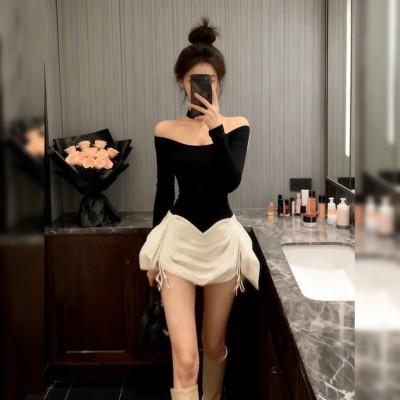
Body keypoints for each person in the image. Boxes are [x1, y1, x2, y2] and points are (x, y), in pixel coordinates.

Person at [139, 18, 260, 400]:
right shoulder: (165, 130)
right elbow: (163, 190)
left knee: (214, 344)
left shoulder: (237, 127)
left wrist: (216, 130)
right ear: (182, 82)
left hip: (221, 243)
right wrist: (152, 253)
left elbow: (231, 181)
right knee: (187, 358)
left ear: (219, 83)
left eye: (211, 80)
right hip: (178, 243)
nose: (205, 87)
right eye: (196, 80)